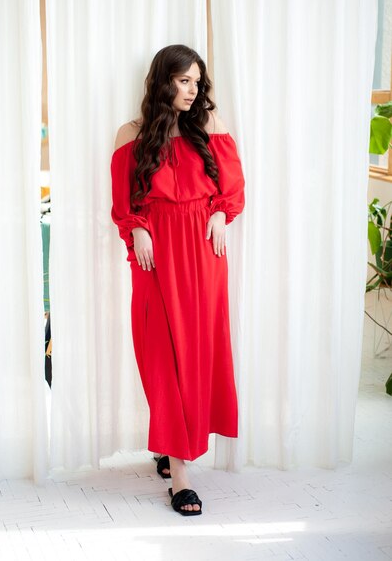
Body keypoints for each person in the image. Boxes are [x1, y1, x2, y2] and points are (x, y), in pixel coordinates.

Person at [110, 44, 245, 516]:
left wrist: (222, 216)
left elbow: (232, 188)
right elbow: (123, 201)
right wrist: (139, 229)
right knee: (162, 357)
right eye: (183, 80)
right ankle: (178, 468)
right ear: (162, 80)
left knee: (199, 353)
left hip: (205, 255)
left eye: (196, 81)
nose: (192, 90)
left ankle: (176, 460)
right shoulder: (132, 133)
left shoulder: (210, 125)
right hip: (154, 258)